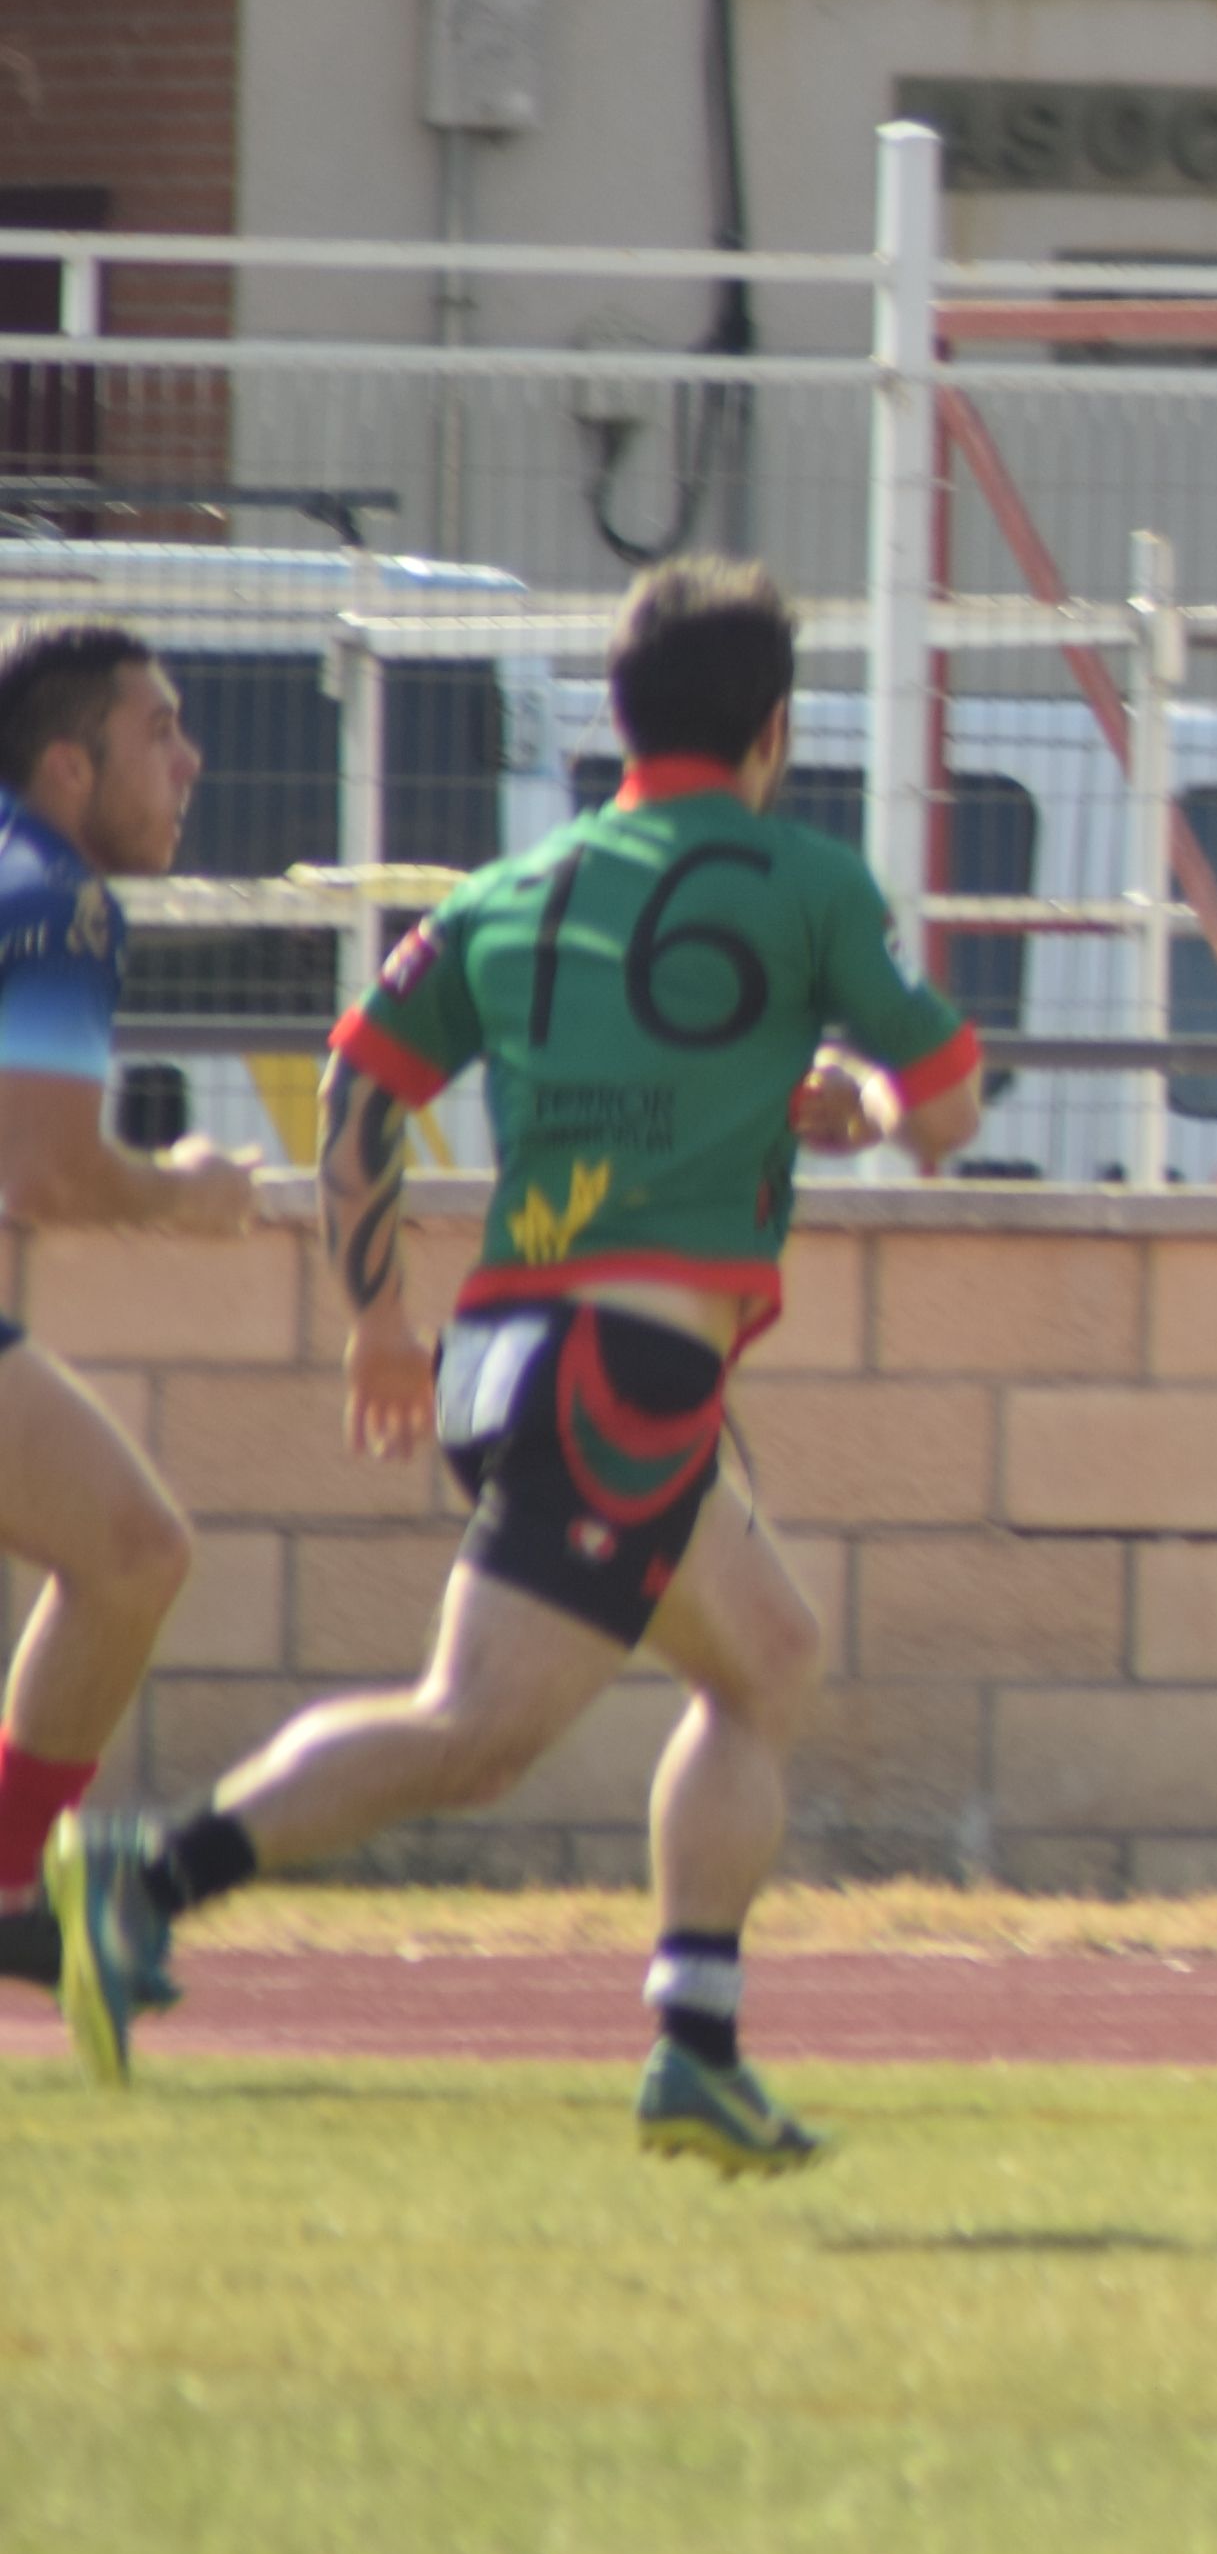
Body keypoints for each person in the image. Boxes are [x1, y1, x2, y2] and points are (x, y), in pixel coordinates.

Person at [52, 560, 982, 2163]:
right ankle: (148, 1880)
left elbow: (357, 1096)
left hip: (502, 1354)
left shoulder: (514, 888)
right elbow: (951, 1113)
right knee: (473, 1732)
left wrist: (377, 1323)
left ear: (622, 721)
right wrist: (872, 1104)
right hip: (627, 1377)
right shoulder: (804, 883)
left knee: (764, 1654)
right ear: (774, 731)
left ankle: (694, 2040)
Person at [0, 629, 271, 2071]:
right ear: (68, 765)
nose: (192, 761)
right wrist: (186, 1190)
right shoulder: (57, 902)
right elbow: (40, 1168)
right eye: (159, 730)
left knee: (129, 1549)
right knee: (132, 1552)